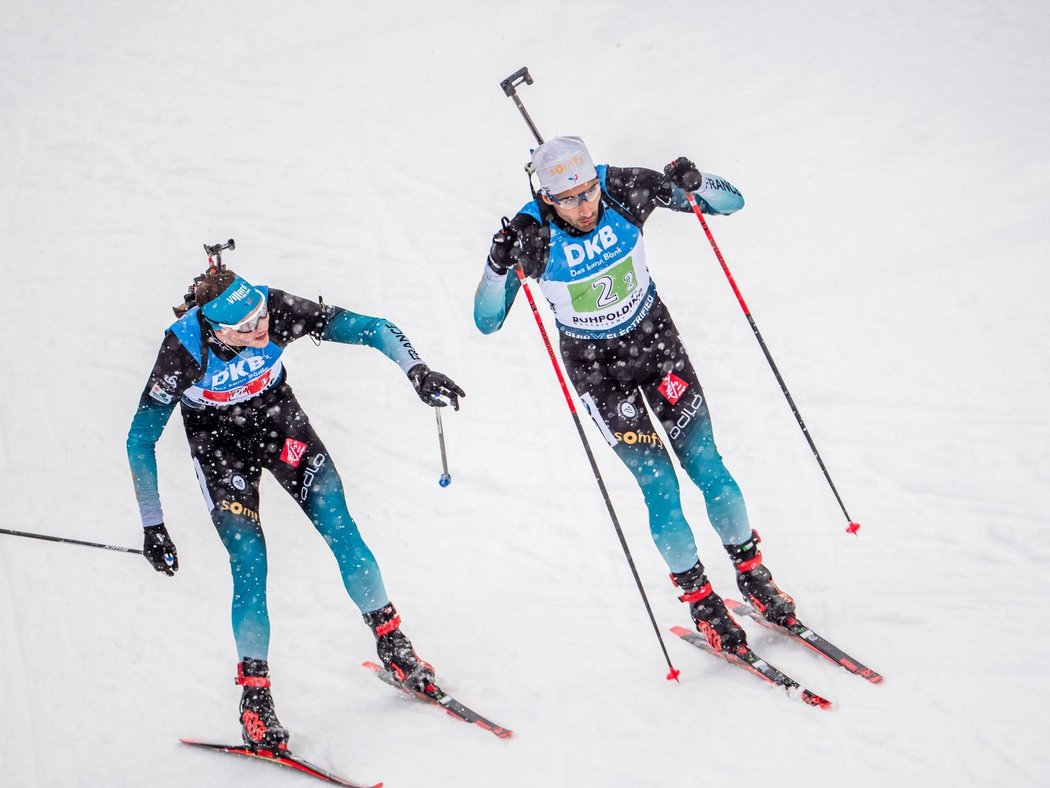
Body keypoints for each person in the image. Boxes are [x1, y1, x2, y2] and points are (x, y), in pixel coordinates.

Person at [473, 136, 797, 655]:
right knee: (659, 486)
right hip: (600, 375)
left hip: (656, 345)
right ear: (546, 197)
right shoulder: (530, 233)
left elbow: (730, 203)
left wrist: (697, 182)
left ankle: (752, 572)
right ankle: (701, 600)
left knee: (707, 464)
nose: (584, 207)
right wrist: (496, 264)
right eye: (569, 199)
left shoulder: (623, 188)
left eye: (588, 192)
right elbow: (487, 321)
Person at [127, 259, 464, 753]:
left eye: (262, 316)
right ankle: (255, 700)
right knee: (249, 562)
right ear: (216, 328)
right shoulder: (184, 348)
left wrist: (417, 371)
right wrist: (153, 525)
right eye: (247, 327)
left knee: (340, 526)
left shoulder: (276, 308)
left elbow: (372, 328)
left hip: (279, 423)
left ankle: (393, 644)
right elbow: (140, 438)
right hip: (220, 450)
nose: (263, 328)